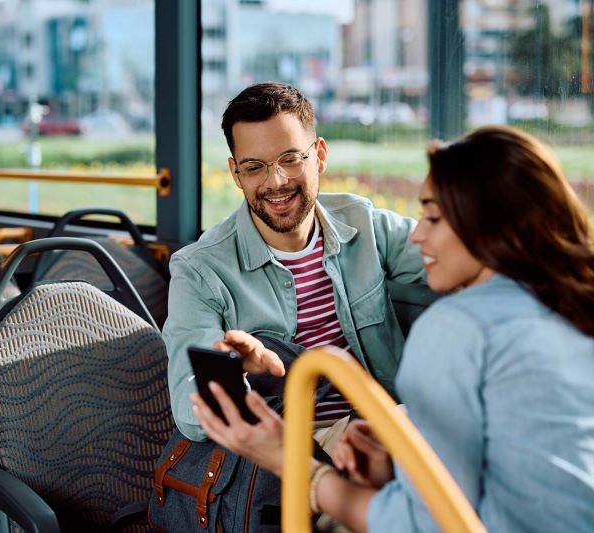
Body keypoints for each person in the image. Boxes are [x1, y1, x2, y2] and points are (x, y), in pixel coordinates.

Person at [191, 125, 594, 531]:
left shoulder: (455, 326)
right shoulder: (571, 305)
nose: (417, 234)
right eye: (255, 166)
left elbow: (419, 523)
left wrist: (300, 470)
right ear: (235, 172)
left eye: (433, 217)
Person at [162, 82, 432, 442]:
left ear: (319, 155)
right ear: (236, 174)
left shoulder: (364, 224)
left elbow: (453, 255)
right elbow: (189, 411)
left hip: (384, 421)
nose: (276, 182)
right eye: (254, 167)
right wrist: (234, 373)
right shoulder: (199, 270)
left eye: (290, 159)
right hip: (293, 450)